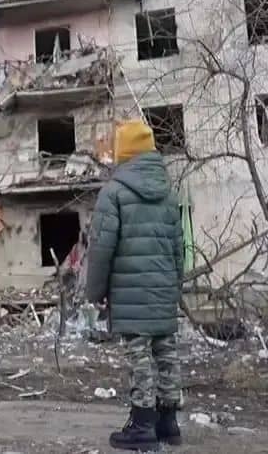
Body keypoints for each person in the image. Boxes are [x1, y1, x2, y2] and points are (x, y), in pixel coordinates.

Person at [86, 119, 183, 451]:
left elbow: (101, 249)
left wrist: (95, 293)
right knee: (166, 353)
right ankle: (168, 423)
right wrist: (175, 287)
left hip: (129, 293)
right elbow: (179, 249)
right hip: (164, 289)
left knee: (139, 356)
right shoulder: (168, 194)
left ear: (123, 153)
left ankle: (142, 426)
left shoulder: (113, 193)